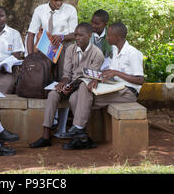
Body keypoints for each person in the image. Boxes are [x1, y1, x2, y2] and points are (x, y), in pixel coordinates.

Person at [61, 22, 144, 150]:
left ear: (117, 37)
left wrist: (116, 73)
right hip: (115, 87)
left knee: (83, 96)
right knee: (75, 97)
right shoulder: (116, 50)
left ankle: (79, 130)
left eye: (109, 35)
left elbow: (140, 80)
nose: (106, 38)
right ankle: (82, 137)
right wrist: (96, 79)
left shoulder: (132, 53)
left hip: (128, 92)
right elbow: (109, 72)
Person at [29, 22, 104, 148]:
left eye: (81, 35)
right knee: (53, 94)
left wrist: (71, 86)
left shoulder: (97, 54)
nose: (78, 38)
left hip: (82, 87)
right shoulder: (70, 49)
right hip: (70, 84)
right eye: (76, 35)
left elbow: (90, 78)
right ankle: (45, 136)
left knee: (75, 97)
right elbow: (66, 73)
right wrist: (63, 82)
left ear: (90, 36)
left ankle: (80, 136)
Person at [26, 0, 78, 136]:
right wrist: (31, 57)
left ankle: (61, 128)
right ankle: (51, 120)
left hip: (64, 49)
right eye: (56, 0)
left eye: (61, 0)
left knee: (63, 83)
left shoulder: (70, 10)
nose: (59, 3)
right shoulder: (40, 10)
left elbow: (75, 34)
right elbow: (31, 33)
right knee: (47, 83)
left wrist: (61, 37)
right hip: (45, 50)